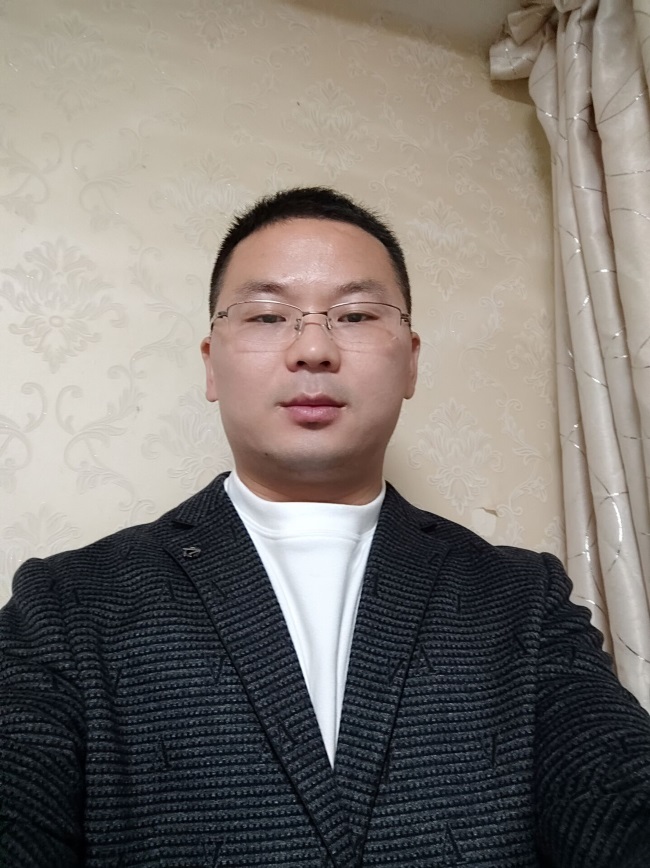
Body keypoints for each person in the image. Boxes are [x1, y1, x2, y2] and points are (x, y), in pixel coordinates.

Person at [1, 186, 649, 868]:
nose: (313, 348)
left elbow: (616, 787)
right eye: (267, 315)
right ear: (211, 363)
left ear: (411, 361)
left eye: (356, 314)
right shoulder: (69, 601)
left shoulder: (521, 596)